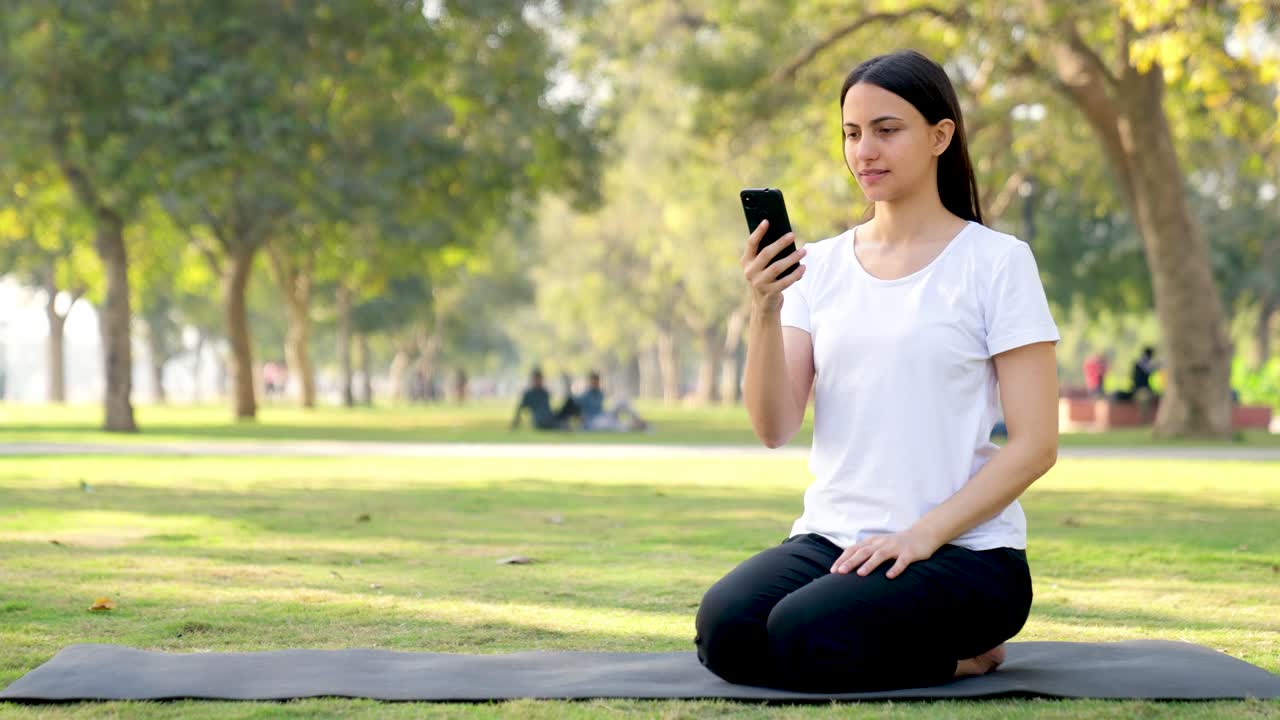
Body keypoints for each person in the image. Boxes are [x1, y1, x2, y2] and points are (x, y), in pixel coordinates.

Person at [695, 50, 1060, 694]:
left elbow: (1035, 445)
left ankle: (968, 652)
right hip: (832, 540)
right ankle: (942, 660)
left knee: (804, 632)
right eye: (852, 133)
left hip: (964, 554)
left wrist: (921, 537)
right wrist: (765, 305)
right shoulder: (821, 267)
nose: (865, 150)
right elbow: (774, 426)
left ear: (940, 136)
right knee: (725, 630)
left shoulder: (997, 262)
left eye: (887, 130)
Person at [509, 367, 581, 431]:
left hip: (550, 417)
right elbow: (520, 408)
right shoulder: (529, 394)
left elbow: (556, 396)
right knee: (561, 425)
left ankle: (580, 422)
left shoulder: (544, 392)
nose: (539, 381)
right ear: (533, 380)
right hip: (541, 421)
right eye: (536, 379)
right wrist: (515, 423)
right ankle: (563, 426)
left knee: (570, 402)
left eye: (540, 379)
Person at [577, 371, 650, 432]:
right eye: (594, 381)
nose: (596, 383)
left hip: (603, 416)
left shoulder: (600, 394)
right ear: (590, 382)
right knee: (616, 426)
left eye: (597, 381)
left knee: (622, 400)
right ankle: (636, 426)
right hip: (593, 421)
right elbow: (578, 411)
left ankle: (639, 420)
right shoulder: (584, 395)